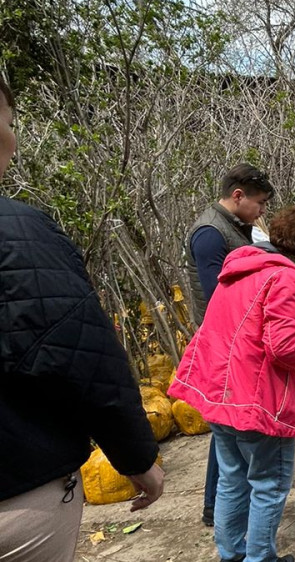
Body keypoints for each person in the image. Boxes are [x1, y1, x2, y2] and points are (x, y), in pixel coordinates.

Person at [0, 77, 164, 561]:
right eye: (10, 123)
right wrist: (136, 458)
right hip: (19, 490)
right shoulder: (18, 232)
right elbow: (82, 357)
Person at [169, 206, 295, 562]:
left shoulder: (240, 270)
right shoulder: (285, 278)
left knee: (233, 480)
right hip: (257, 401)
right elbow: (284, 346)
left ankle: (232, 554)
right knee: (268, 486)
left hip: (219, 393)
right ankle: (260, 558)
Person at [186, 162, 274, 527]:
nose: (263, 211)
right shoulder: (210, 233)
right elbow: (220, 295)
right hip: (225, 344)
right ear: (238, 196)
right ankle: (214, 505)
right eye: (260, 203)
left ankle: (219, 505)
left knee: (227, 426)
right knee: (226, 426)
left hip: (233, 340)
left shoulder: (234, 227)